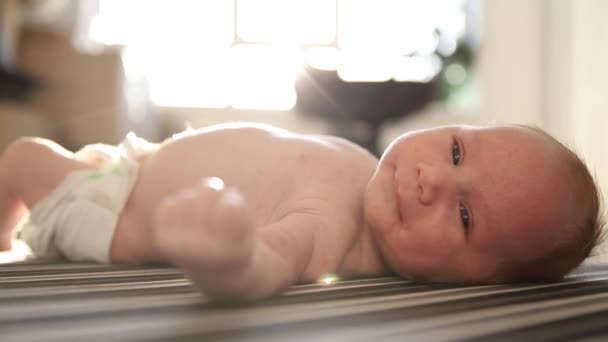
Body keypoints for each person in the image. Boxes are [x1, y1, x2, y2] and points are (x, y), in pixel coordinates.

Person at [0, 122, 604, 301]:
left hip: (113, 206)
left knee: (23, 157)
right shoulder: (371, 174)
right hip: (131, 164)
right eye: (454, 151)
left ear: (475, 283)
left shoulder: (334, 230)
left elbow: (270, 261)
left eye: (466, 217)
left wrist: (229, 256)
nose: (431, 179)